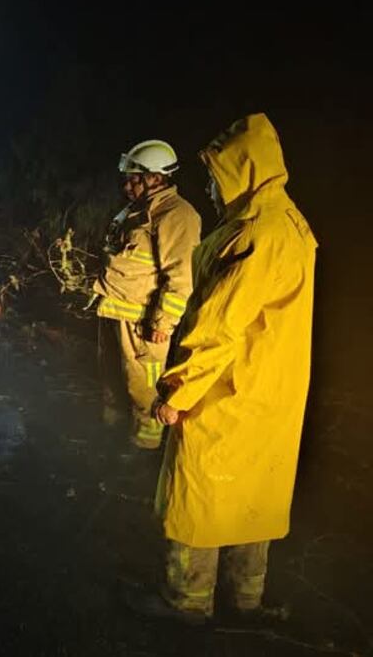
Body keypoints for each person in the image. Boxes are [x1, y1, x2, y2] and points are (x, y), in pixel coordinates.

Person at [134, 113, 317, 623]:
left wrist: (177, 392)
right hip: (270, 393)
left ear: (245, 170)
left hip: (228, 391)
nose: (212, 189)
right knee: (252, 495)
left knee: (200, 497)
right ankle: (246, 600)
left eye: (217, 178)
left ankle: (187, 602)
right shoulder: (287, 223)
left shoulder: (255, 234)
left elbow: (218, 324)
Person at [92, 140, 201, 449]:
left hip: (143, 326)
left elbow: (181, 277)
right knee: (113, 384)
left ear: (157, 177)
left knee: (144, 392)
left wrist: (163, 323)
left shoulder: (177, 215)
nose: (127, 185)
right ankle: (110, 441)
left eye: (135, 179)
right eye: (127, 178)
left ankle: (144, 453)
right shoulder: (137, 211)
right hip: (114, 312)